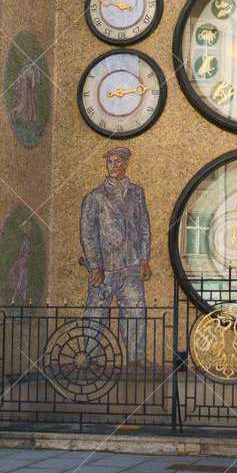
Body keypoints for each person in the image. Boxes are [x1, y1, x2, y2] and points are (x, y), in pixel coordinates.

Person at [79, 147, 152, 363]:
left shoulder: (137, 193)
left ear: (126, 164)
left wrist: (145, 260)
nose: (113, 165)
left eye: (118, 161)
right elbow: (88, 234)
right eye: (110, 161)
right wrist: (95, 267)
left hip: (131, 267)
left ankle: (136, 359)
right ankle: (89, 359)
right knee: (96, 313)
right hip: (104, 269)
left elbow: (144, 227)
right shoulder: (95, 197)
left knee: (136, 314)